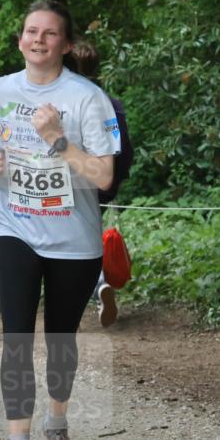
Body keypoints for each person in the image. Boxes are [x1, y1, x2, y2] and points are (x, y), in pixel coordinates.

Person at [0, 0, 120, 440]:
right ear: (20, 39)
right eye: (30, 31)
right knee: (16, 337)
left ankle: (56, 425)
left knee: (61, 340)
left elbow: (104, 176)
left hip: (72, 239)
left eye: (49, 33)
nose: (38, 39)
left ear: (64, 43)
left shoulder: (88, 98)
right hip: (13, 226)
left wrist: (58, 139)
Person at [69, 40, 135, 328]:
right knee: (88, 235)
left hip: (67, 182)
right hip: (101, 184)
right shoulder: (110, 104)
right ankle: (97, 285)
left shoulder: (65, 103)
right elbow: (123, 146)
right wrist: (116, 181)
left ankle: (94, 285)